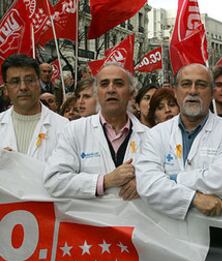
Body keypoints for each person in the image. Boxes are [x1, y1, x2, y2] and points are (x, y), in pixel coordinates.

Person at [136, 63, 222, 220]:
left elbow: (220, 182)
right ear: (175, 91)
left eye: (201, 85)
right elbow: (148, 184)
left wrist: (170, 179)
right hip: (163, 233)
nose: (193, 91)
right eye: (186, 84)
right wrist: (194, 198)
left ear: (212, 92)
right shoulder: (155, 134)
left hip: (211, 232)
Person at [43, 63, 147, 200]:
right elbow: (54, 180)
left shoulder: (150, 136)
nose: (111, 89)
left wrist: (145, 183)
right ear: (97, 94)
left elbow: (168, 176)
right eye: (104, 84)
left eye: (119, 84)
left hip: (135, 220)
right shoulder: (75, 130)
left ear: (131, 93)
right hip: (88, 220)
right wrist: (104, 181)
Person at [0, 54, 68, 161]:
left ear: (39, 83)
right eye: (15, 81)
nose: (23, 87)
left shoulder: (64, 127)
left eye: (30, 80)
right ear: (6, 89)